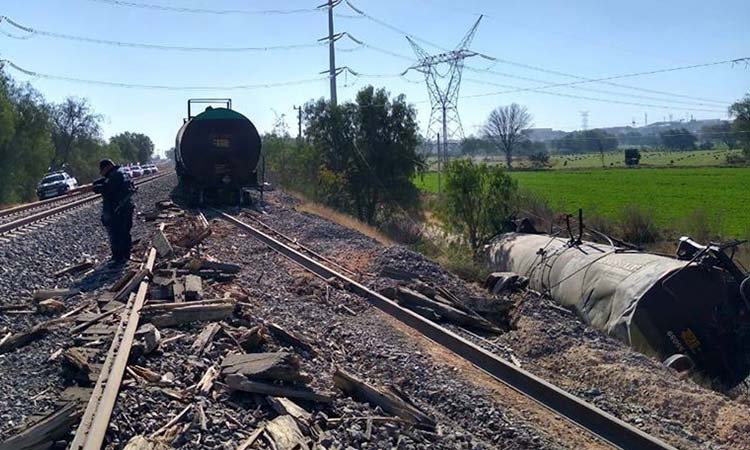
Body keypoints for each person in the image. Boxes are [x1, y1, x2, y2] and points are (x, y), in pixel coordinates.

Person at [92, 159, 136, 264]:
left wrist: (94, 188)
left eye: (102, 171)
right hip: (126, 208)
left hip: (118, 210)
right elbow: (106, 181)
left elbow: (107, 188)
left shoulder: (116, 175)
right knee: (125, 233)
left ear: (107, 167)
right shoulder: (121, 172)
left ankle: (118, 259)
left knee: (117, 234)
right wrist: (95, 184)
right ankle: (125, 255)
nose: (102, 173)